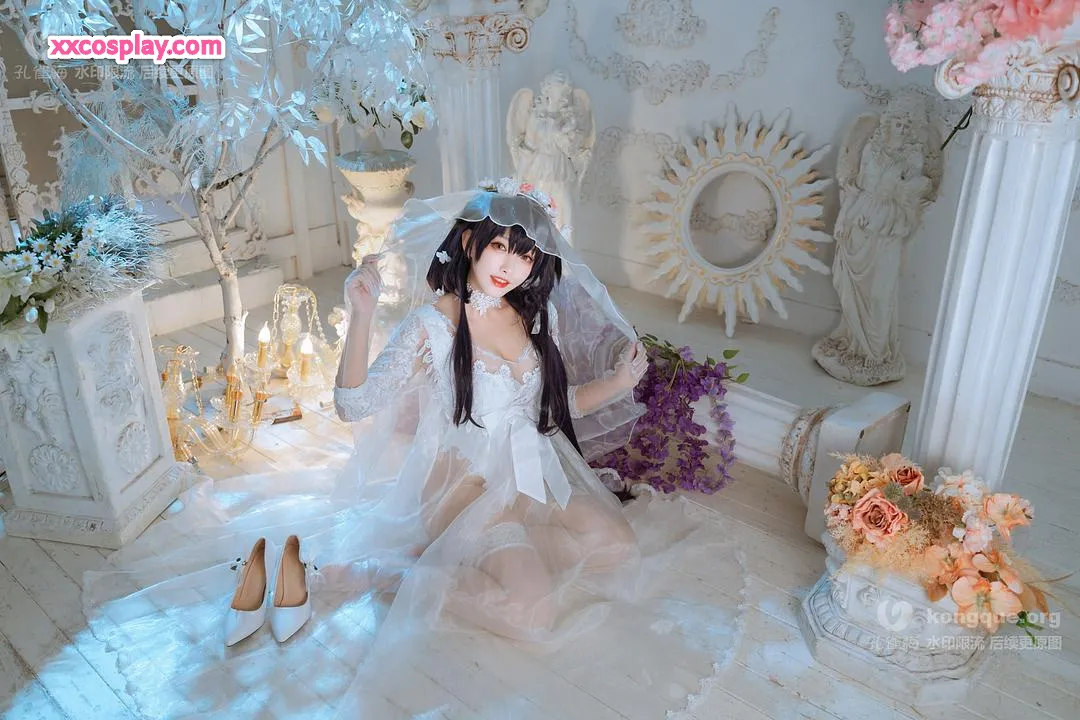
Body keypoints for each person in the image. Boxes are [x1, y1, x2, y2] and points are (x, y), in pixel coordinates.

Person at [80, 179, 745, 719]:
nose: (509, 264)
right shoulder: (435, 324)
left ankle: (502, 554)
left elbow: (547, 408)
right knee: (533, 612)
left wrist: (621, 383)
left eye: (523, 254)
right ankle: (392, 574)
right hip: (466, 489)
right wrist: (363, 314)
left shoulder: (526, 313)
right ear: (469, 241)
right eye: (498, 246)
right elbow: (354, 405)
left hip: (533, 473)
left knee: (618, 549)